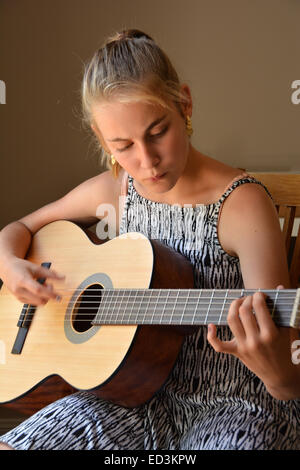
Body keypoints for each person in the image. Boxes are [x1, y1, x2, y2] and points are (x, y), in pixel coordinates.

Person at [0, 29, 299, 451]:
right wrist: (9, 265)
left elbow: (287, 381)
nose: (146, 160)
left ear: (185, 104)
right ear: (102, 139)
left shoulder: (242, 204)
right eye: (122, 146)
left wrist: (277, 372)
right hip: (129, 397)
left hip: (236, 404)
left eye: (158, 131)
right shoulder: (117, 191)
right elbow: (16, 231)